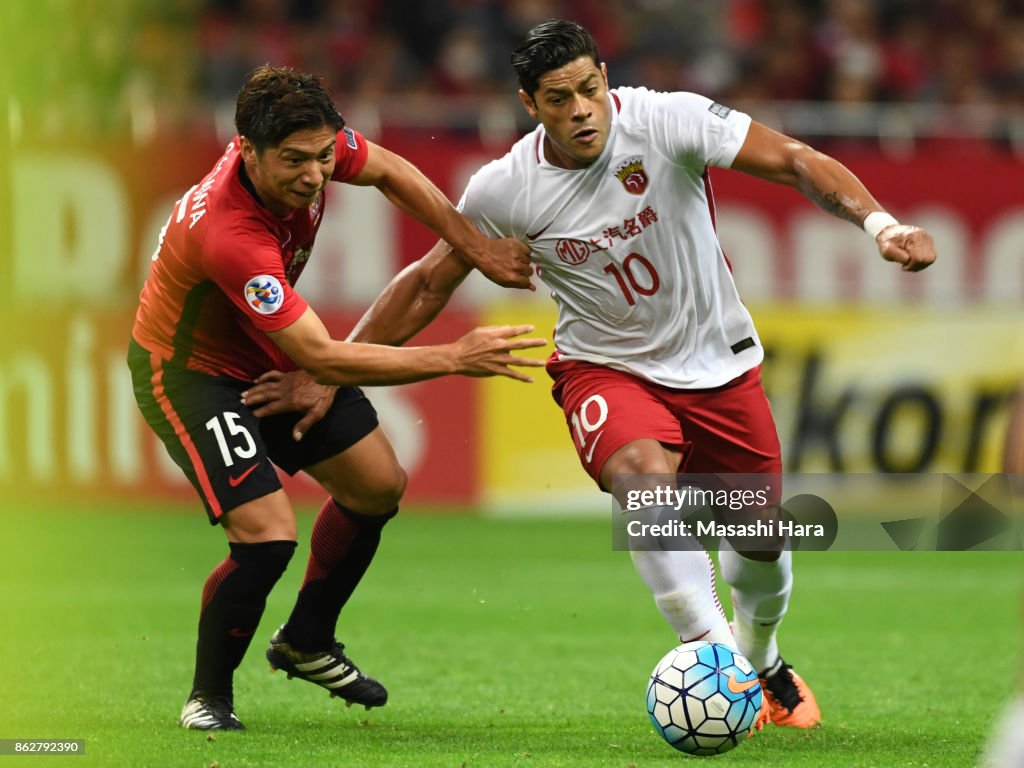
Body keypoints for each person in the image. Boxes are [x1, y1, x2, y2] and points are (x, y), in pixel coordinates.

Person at [246, 20, 938, 732]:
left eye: (588, 89)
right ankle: (716, 659)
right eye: (557, 98)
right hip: (604, 369)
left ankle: (762, 663)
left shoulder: (671, 121)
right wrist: (329, 372)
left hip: (720, 367)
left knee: (760, 544)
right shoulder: (506, 188)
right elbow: (426, 284)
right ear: (529, 104)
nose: (579, 109)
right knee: (642, 479)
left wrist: (880, 226)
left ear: (605, 79)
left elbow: (794, 158)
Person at [127, 64, 547, 731]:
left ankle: (307, 639)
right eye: (295, 162)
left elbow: (392, 171)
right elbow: (320, 356)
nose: (314, 176)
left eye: (324, 157)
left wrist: (478, 249)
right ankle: (207, 697)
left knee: (378, 483)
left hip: (264, 352)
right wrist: (454, 357)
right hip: (190, 374)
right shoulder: (230, 236)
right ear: (246, 150)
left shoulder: (315, 152)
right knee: (267, 535)